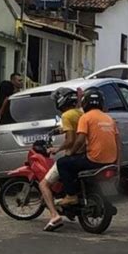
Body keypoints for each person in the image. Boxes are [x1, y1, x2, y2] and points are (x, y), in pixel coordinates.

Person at [57, 88, 120, 206]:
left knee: (62, 163)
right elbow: (118, 143)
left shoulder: (86, 117)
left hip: (94, 160)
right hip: (111, 161)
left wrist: (71, 152)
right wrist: (117, 164)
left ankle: (71, 195)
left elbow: (80, 140)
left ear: (85, 103)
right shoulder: (109, 119)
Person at [39, 88, 82, 231]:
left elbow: (70, 140)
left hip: (72, 155)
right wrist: (56, 131)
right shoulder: (80, 113)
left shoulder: (66, 115)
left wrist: (56, 149)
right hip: (84, 155)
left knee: (43, 184)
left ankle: (54, 215)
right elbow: (69, 128)